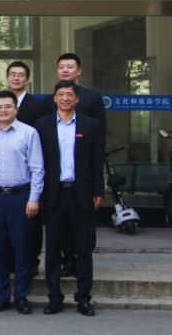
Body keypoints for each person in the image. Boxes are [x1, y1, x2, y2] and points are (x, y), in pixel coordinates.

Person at [37, 81, 104, 317]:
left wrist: (98, 191)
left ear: (77, 99)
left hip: (81, 193)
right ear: (55, 98)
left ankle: (84, 298)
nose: (65, 98)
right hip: (54, 194)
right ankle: (54, 297)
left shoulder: (90, 124)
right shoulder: (42, 125)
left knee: (83, 249)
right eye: (61, 94)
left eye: (69, 95)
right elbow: (38, 163)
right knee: (53, 248)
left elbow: (97, 160)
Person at [0, 91, 44, 315]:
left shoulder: (29, 133)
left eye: (8, 106)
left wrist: (34, 198)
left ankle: (22, 297)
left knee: (22, 249)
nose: (3, 110)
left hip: (21, 196)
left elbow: (37, 168)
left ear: (16, 109)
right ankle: (1, 296)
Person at [45, 52, 107, 277]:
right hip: (58, 179)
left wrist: (98, 186)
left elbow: (99, 144)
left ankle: (82, 263)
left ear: (79, 71)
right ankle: (66, 260)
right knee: (59, 227)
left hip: (83, 176)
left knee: (83, 228)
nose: (65, 70)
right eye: (61, 66)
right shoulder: (50, 100)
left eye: (70, 66)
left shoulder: (92, 98)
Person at [6, 61, 46, 272]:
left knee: (31, 221)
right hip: (7, 171)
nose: (16, 78)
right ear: (7, 79)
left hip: (29, 172)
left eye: (20, 75)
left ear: (27, 79)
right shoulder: (1, 103)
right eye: (12, 74)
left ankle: (32, 261)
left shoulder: (37, 106)